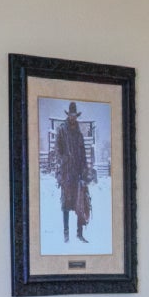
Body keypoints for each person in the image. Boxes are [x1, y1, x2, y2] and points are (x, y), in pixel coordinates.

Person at [52, 102, 93, 245]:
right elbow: (57, 150)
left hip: (77, 174)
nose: (73, 118)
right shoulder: (62, 130)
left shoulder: (79, 134)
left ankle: (79, 234)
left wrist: (85, 171)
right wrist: (64, 159)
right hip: (66, 173)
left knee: (80, 203)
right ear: (68, 115)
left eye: (75, 115)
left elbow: (83, 155)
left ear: (76, 116)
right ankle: (66, 234)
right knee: (65, 203)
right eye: (71, 115)